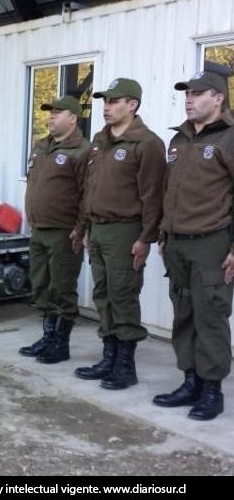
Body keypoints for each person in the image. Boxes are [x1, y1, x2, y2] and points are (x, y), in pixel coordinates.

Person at [75, 78, 165, 390]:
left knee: (123, 295)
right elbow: (90, 188)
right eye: (104, 101)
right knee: (103, 294)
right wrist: (86, 226)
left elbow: (153, 196)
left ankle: (125, 366)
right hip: (98, 230)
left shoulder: (147, 143)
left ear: (132, 105)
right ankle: (109, 356)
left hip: (126, 231)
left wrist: (145, 238)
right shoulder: (100, 141)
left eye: (114, 101)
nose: (106, 107)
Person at [154, 67, 234, 421]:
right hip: (177, 244)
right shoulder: (179, 140)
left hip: (211, 244)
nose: (189, 99)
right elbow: (168, 192)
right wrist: (163, 233)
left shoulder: (229, 138)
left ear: (217, 98)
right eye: (186, 94)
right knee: (184, 314)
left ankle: (212, 391)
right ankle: (190, 381)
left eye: (196, 93)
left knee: (211, 315)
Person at [19, 95, 90, 364]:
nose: (50, 117)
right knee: (41, 285)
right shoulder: (41, 147)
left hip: (64, 231)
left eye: (57, 113)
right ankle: (48, 336)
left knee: (62, 287)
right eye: (50, 113)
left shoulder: (82, 150)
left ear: (73, 118)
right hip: (39, 228)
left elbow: (87, 193)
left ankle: (61, 342)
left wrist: (80, 228)